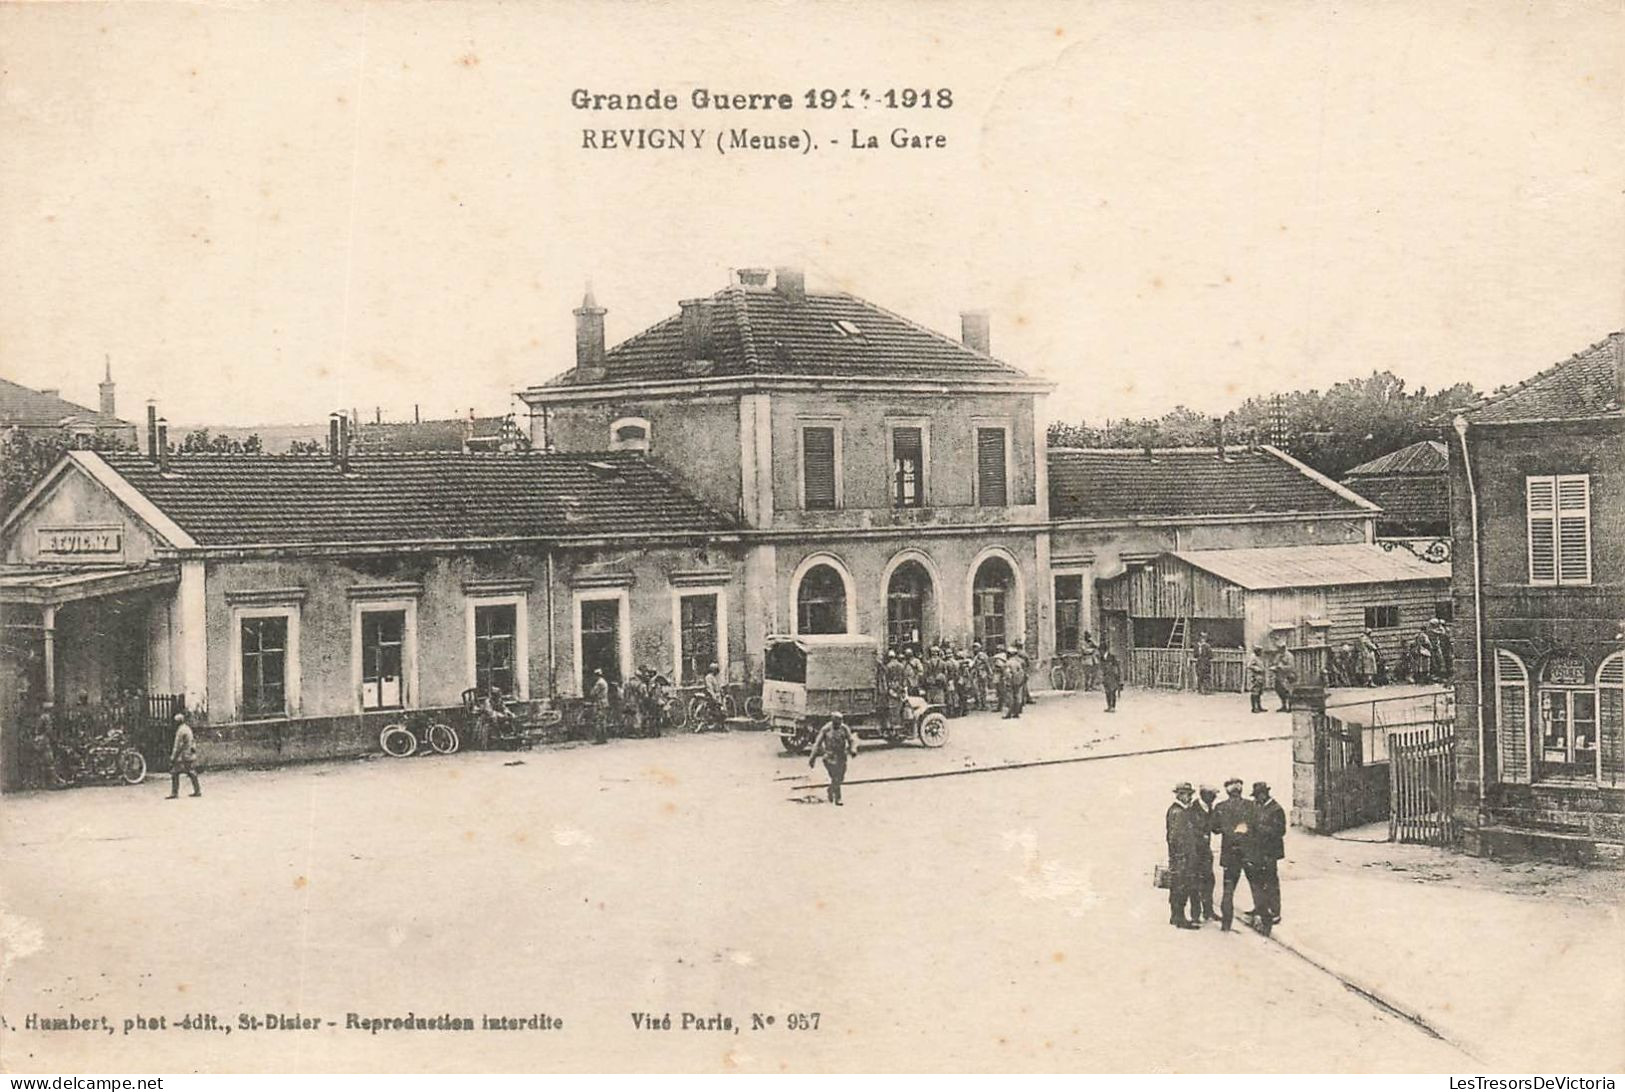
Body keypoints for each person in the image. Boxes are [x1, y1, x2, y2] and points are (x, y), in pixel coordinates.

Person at [1213, 778, 1255, 931]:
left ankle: (1226, 924)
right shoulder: (1250, 806)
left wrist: (1228, 829)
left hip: (1230, 855)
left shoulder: (1220, 807)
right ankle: (1264, 921)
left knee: (1228, 890)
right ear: (1241, 790)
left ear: (1227, 791)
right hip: (1248, 853)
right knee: (1256, 887)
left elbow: (1215, 829)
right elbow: (1255, 826)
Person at [1246, 781, 1286, 933]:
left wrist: (1260, 828)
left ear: (1264, 794)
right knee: (1258, 880)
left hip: (1270, 852)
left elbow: (1280, 831)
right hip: (1257, 851)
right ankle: (1260, 908)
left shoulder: (1276, 809)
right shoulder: (1256, 807)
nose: (1256, 799)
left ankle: (1275, 912)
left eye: (1258, 796)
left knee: (1271, 881)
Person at [1164, 783, 1201, 929]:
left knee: (1178, 886)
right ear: (1179, 795)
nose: (1189, 797)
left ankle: (1176, 916)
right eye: (1187, 794)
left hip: (1181, 856)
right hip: (1182, 857)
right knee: (1181, 886)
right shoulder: (1178, 812)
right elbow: (1174, 837)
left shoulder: (1179, 810)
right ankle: (1179, 918)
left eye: (1190, 794)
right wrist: (1181, 854)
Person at [808, 711, 857, 806]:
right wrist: (812, 758)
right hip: (829, 757)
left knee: (841, 777)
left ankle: (830, 789)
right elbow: (817, 744)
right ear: (833, 721)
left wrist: (853, 750)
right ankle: (838, 798)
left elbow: (851, 740)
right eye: (837, 722)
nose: (839, 724)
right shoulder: (826, 729)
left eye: (841, 721)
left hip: (841, 756)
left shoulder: (844, 728)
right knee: (835, 777)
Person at [1187, 785, 1220, 923]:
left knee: (1209, 881)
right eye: (1212, 795)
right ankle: (1195, 914)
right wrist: (1201, 836)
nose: (1214, 798)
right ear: (1204, 795)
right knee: (1194, 883)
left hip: (1205, 852)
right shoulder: (1192, 809)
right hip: (1194, 852)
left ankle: (1208, 911)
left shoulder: (1210, 808)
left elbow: (1215, 828)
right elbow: (1189, 830)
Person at [166, 712, 201, 799]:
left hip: (183, 756)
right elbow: (193, 742)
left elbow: (178, 746)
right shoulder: (187, 728)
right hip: (189, 754)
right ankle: (197, 790)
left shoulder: (180, 731)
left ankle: (174, 793)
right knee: (191, 772)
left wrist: (173, 757)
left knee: (175, 773)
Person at [697, 661, 726, 731]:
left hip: (717, 696)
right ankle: (700, 727)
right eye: (715, 669)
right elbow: (710, 688)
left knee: (721, 711)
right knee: (714, 711)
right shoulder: (709, 677)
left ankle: (722, 726)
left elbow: (717, 687)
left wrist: (720, 691)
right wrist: (714, 697)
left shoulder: (714, 677)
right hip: (711, 697)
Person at [588, 668, 611, 744]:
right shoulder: (603, 682)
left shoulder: (599, 683)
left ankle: (600, 739)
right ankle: (603, 738)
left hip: (600, 703)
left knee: (599, 721)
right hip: (604, 702)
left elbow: (593, 693)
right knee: (603, 721)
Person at [1272, 646, 1297, 712]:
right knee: (1279, 690)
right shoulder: (1278, 655)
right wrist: (1275, 667)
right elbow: (1275, 663)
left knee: (1288, 692)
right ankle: (1283, 705)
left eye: (1280, 649)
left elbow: (1291, 667)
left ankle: (1290, 707)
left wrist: (1282, 667)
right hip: (1279, 676)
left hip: (1287, 676)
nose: (1279, 650)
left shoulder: (1289, 656)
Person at [1100, 646, 1123, 712]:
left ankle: (1113, 706)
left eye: (1101, 651)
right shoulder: (1102, 658)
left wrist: (1118, 678)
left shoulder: (1112, 657)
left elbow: (1117, 667)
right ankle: (1109, 706)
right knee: (1107, 692)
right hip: (1106, 676)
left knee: (1112, 691)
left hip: (1112, 676)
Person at [1245, 646, 1267, 713]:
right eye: (1259, 651)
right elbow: (1249, 665)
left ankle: (1259, 706)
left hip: (1261, 676)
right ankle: (1254, 707)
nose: (1261, 652)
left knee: (1259, 692)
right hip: (1256, 676)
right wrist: (1256, 668)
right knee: (1255, 692)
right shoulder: (1253, 657)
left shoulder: (1259, 657)